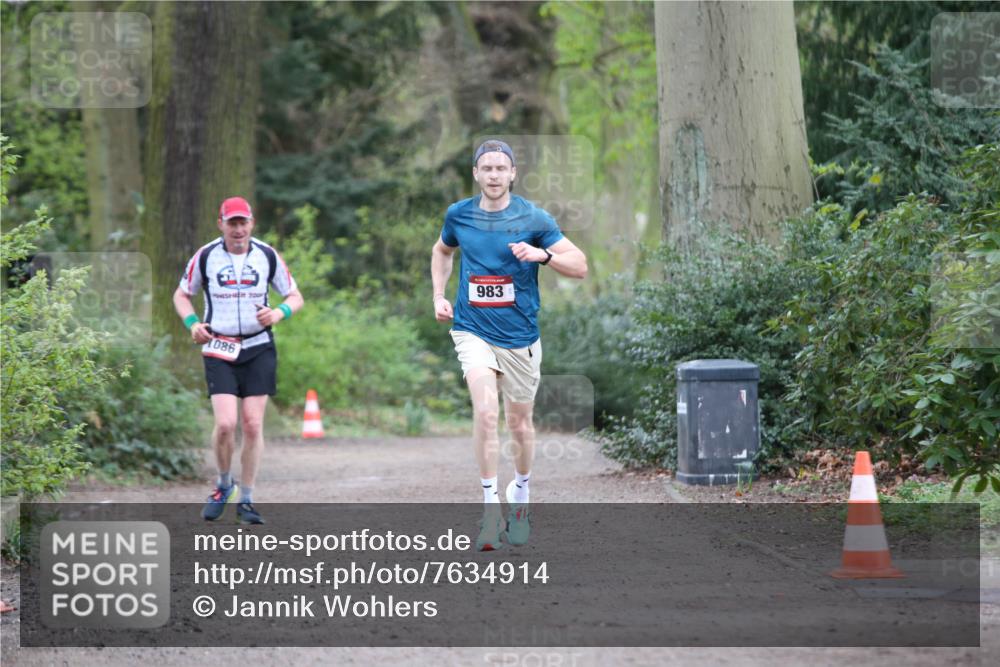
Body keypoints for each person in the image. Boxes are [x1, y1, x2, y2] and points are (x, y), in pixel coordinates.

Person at [430, 140, 588, 550]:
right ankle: (489, 510)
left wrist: (543, 256)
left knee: (519, 425)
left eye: (502, 168)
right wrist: (438, 294)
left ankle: (521, 493)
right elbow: (442, 250)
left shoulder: (534, 218)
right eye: (487, 168)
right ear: (476, 174)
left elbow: (581, 267)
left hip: (520, 337)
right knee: (485, 413)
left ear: (513, 173)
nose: (495, 175)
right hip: (472, 329)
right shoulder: (458, 215)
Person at [173, 196, 303, 525]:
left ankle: (246, 499)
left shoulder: (267, 255)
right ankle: (222, 484)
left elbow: (295, 296)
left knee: (253, 424)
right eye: (232, 223)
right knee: (226, 425)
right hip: (219, 347)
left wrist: (278, 312)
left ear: (252, 223)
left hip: (258, 347)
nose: (238, 229)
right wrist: (192, 325)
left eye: (243, 222)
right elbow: (181, 294)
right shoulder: (205, 257)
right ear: (221, 225)